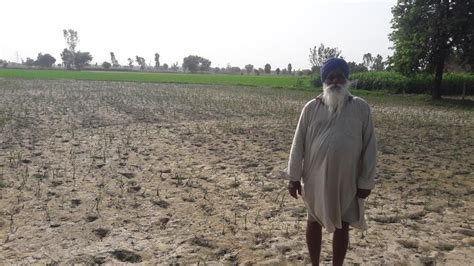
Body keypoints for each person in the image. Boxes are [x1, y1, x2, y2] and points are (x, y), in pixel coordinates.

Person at [286, 58, 377, 265]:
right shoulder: (310, 108)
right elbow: (297, 143)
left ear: (346, 80)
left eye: (340, 76)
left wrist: (366, 182)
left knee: (343, 225)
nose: (335, 81)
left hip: (347, 179)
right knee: (313, 221)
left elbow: (370, 146)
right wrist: (293, 177)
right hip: (315, 178)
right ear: (324, 81)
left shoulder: (361, 107)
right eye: (330, 77)